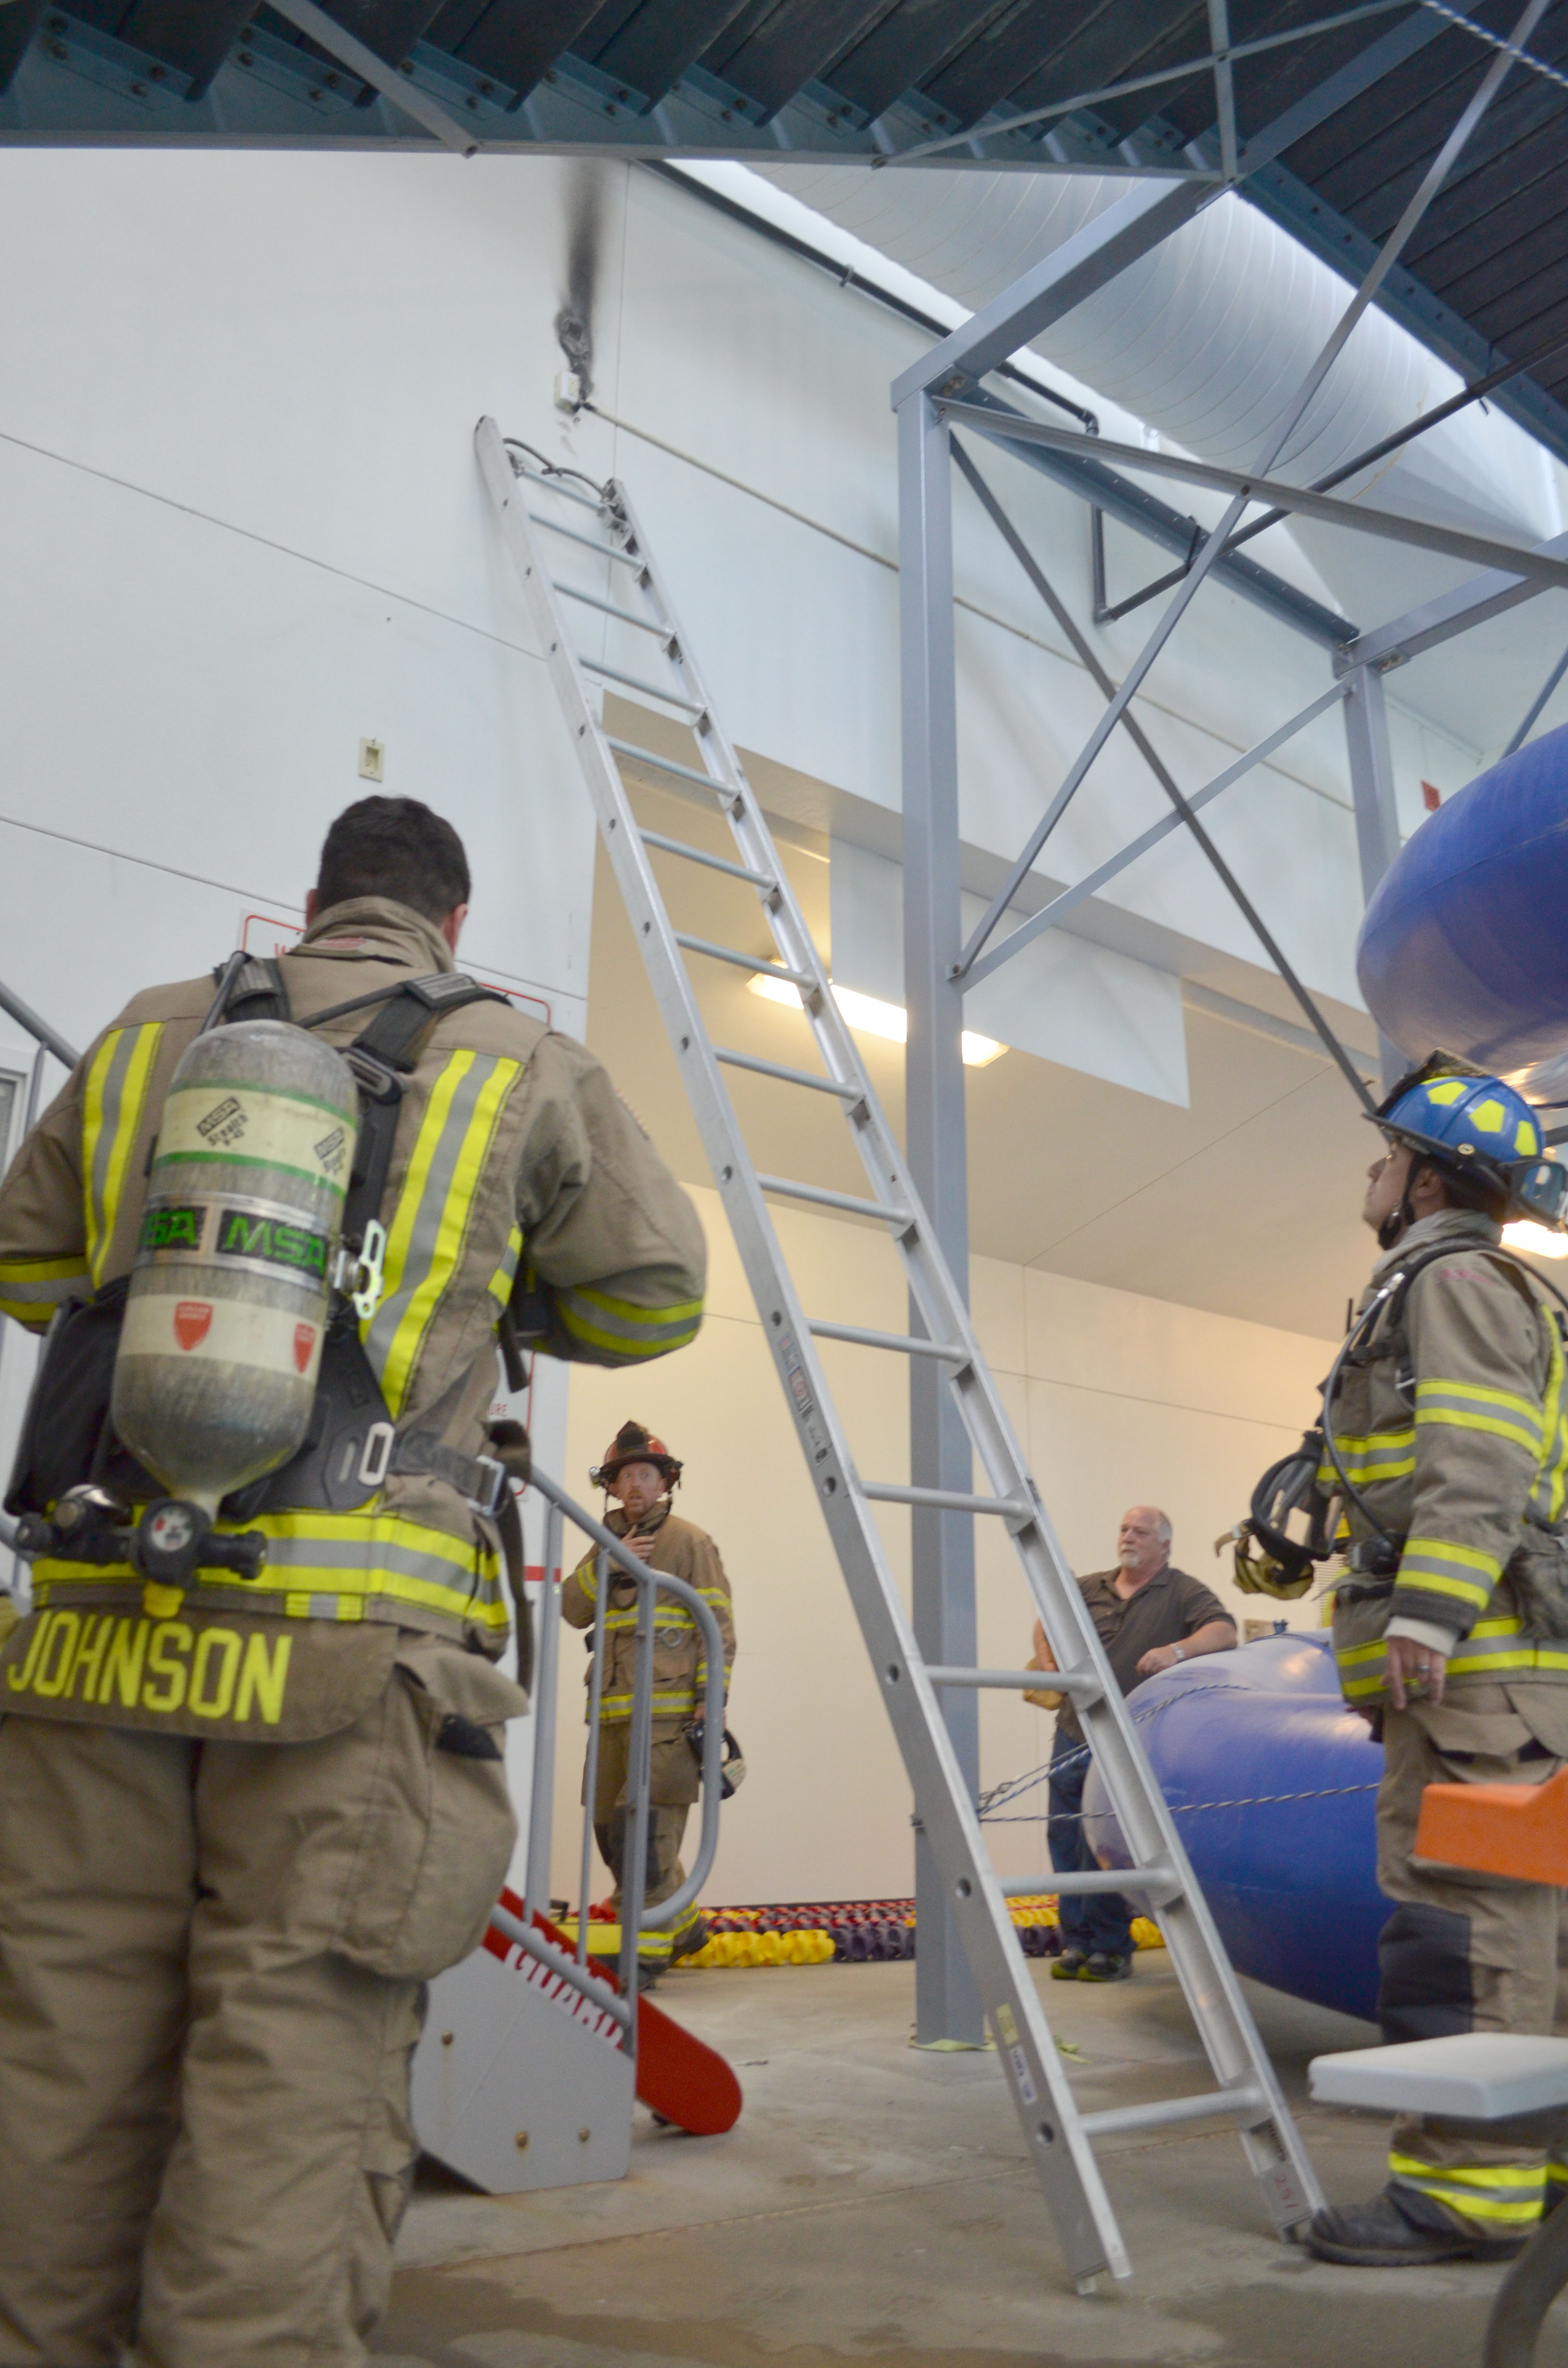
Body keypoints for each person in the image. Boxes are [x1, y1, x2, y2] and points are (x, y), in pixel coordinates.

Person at [0, 796, 707, 2367]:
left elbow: (29, 1265)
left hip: (97, 1636)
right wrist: (478, 1294)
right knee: (286, 2090)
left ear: (309, 902)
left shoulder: (147, 1034)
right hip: (340, 1659)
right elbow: (656, 1294)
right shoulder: (512, 1058)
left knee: (57, 2067)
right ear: (448, 926)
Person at [1303, 1059, 1568, 2269]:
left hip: (1481, 1687)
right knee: (1530, 1930)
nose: (1369, 1170)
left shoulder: (1455, 1278)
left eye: (1384, 1154)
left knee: (1467, 1925)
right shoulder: (1465, 1284)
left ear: (1421, 1183)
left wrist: (1426, 1616)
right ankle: (1540, 2169)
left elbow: (1481, 1457)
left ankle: (1464, 2194)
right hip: (1514, 1688)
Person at [562, 1420, 735, 1987]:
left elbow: (719, 1630)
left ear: (666, 1483)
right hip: (611, 1720)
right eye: (625, 1476)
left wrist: (713, 1702)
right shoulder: (604, 1543)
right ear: (611, 1487)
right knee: (612, 1832)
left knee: (648, 1839)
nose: (635, 1485)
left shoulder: (690, 1543)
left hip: (665, 1723)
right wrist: (608, 1563)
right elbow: (571, 1608)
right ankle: (681, 1924)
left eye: (645, 1474)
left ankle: (649, 1952)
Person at [1031, 1505, 1236, 1982]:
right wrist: (1047, 1665)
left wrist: (1176, 1650)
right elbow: (1046, 1620)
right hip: (1074, 1728)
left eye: (1141, 1531)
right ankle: (1077, 1942)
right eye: (1124, 1528)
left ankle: (1109, 1947)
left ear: (1164, 1546)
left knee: (1101, 1840)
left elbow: (1223, 1630)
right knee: (1064, 1835)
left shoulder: (1182, 1591)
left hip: (1131, 1735)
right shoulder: (1089, 1586)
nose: (1128, 1536)